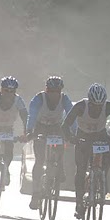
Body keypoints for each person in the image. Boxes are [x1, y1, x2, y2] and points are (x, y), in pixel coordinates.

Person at [61, 83, 110, 219]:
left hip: (100, 135)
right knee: (81, 169)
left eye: (100, 106)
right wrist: (71, 138)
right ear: (89, 102)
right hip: (83, 137)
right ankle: (79, 202)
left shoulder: (109, 107)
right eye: (94, 105)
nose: (97, 108)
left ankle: (103, 177)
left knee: (109, 152)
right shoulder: (80, 106)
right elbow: (65, 125)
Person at [24, 76, 74, 209]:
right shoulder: (39, 98)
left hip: (56, 126)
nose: (54, 95)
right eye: (51, 91)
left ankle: (60, 166)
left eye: (57, 92)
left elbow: (71, 115)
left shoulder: (65, 99)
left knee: (60, 144)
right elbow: (32, 114)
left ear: (60, 91)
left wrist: (73, 132)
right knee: (39, 161)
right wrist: (29, 130)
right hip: (40, 126)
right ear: (46, 90)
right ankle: (35, 193)